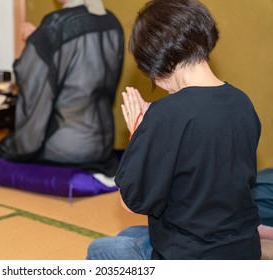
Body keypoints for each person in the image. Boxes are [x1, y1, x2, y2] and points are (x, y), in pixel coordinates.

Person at [86, 0, 262, 259]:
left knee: (99, 250)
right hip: (241, 250)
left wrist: (140, 131)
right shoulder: (242, 102)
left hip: (192, 258)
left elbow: (131, 201)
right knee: (130, 236)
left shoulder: (167, 113)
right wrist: (152, 132)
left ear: (155, 60)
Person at [0, 0, 124, 178]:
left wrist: (36, 43)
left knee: (5, 148)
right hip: (102, 142)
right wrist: (42, 41)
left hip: (65, 145)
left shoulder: (57, 23)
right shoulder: (111, 21)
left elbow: (30, 76)